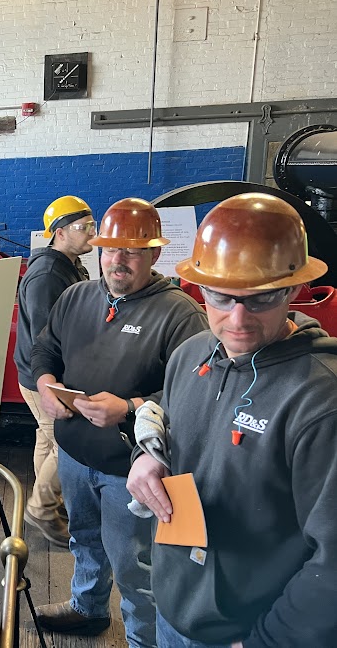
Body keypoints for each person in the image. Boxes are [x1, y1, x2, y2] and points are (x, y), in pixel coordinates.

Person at [126, 193, 336, 648]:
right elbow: (172, 420)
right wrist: (147, 454)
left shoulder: (320, 401)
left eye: (261, 298)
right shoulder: (190, 355)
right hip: (174, 608)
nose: (238, 318)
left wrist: (268, 640)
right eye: (221, 296)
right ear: (199, 288)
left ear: (293, 290)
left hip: (246, 633)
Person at [31, 197, 208, 647]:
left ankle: (141, 640)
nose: (118, 260)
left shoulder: (179, 314)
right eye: (110, 249)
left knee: (134, 566)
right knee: (84, 540)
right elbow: (46, 348)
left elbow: (197, 394)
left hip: (129, 470)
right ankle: (88, 608)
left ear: (154, 253)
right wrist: (47, 383)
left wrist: (129, 408)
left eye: (132, 251)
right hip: (74, 455)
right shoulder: (76, 296)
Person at [14, 195, 95, 547]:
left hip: (42, 374)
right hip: (43, 377)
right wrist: (56, 383)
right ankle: (42, 508)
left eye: (92, 225)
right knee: (67, 442)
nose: (92, 232)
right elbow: (45, 338)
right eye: (83, 227)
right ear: (59, 232)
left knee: (47, 437)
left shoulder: (69, 265)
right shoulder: (47, 275)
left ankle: (49, 502)